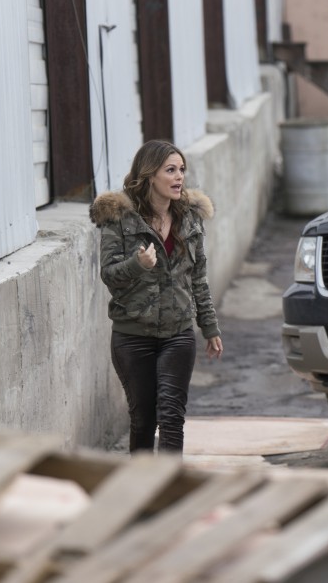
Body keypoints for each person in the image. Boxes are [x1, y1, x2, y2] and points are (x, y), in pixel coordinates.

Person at [89, 140, 223, 454]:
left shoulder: (189, 218)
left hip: (178, 332)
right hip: (133, 335)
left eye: (182, 170)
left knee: (172, 417)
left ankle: (171, 490)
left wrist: (210, 326)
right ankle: (141, 490)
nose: (179, 178)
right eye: (171, 170)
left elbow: (198, 277)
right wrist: (138, 265)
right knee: (143, 419)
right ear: (150, 175)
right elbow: (109, 275)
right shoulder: (119, 219)